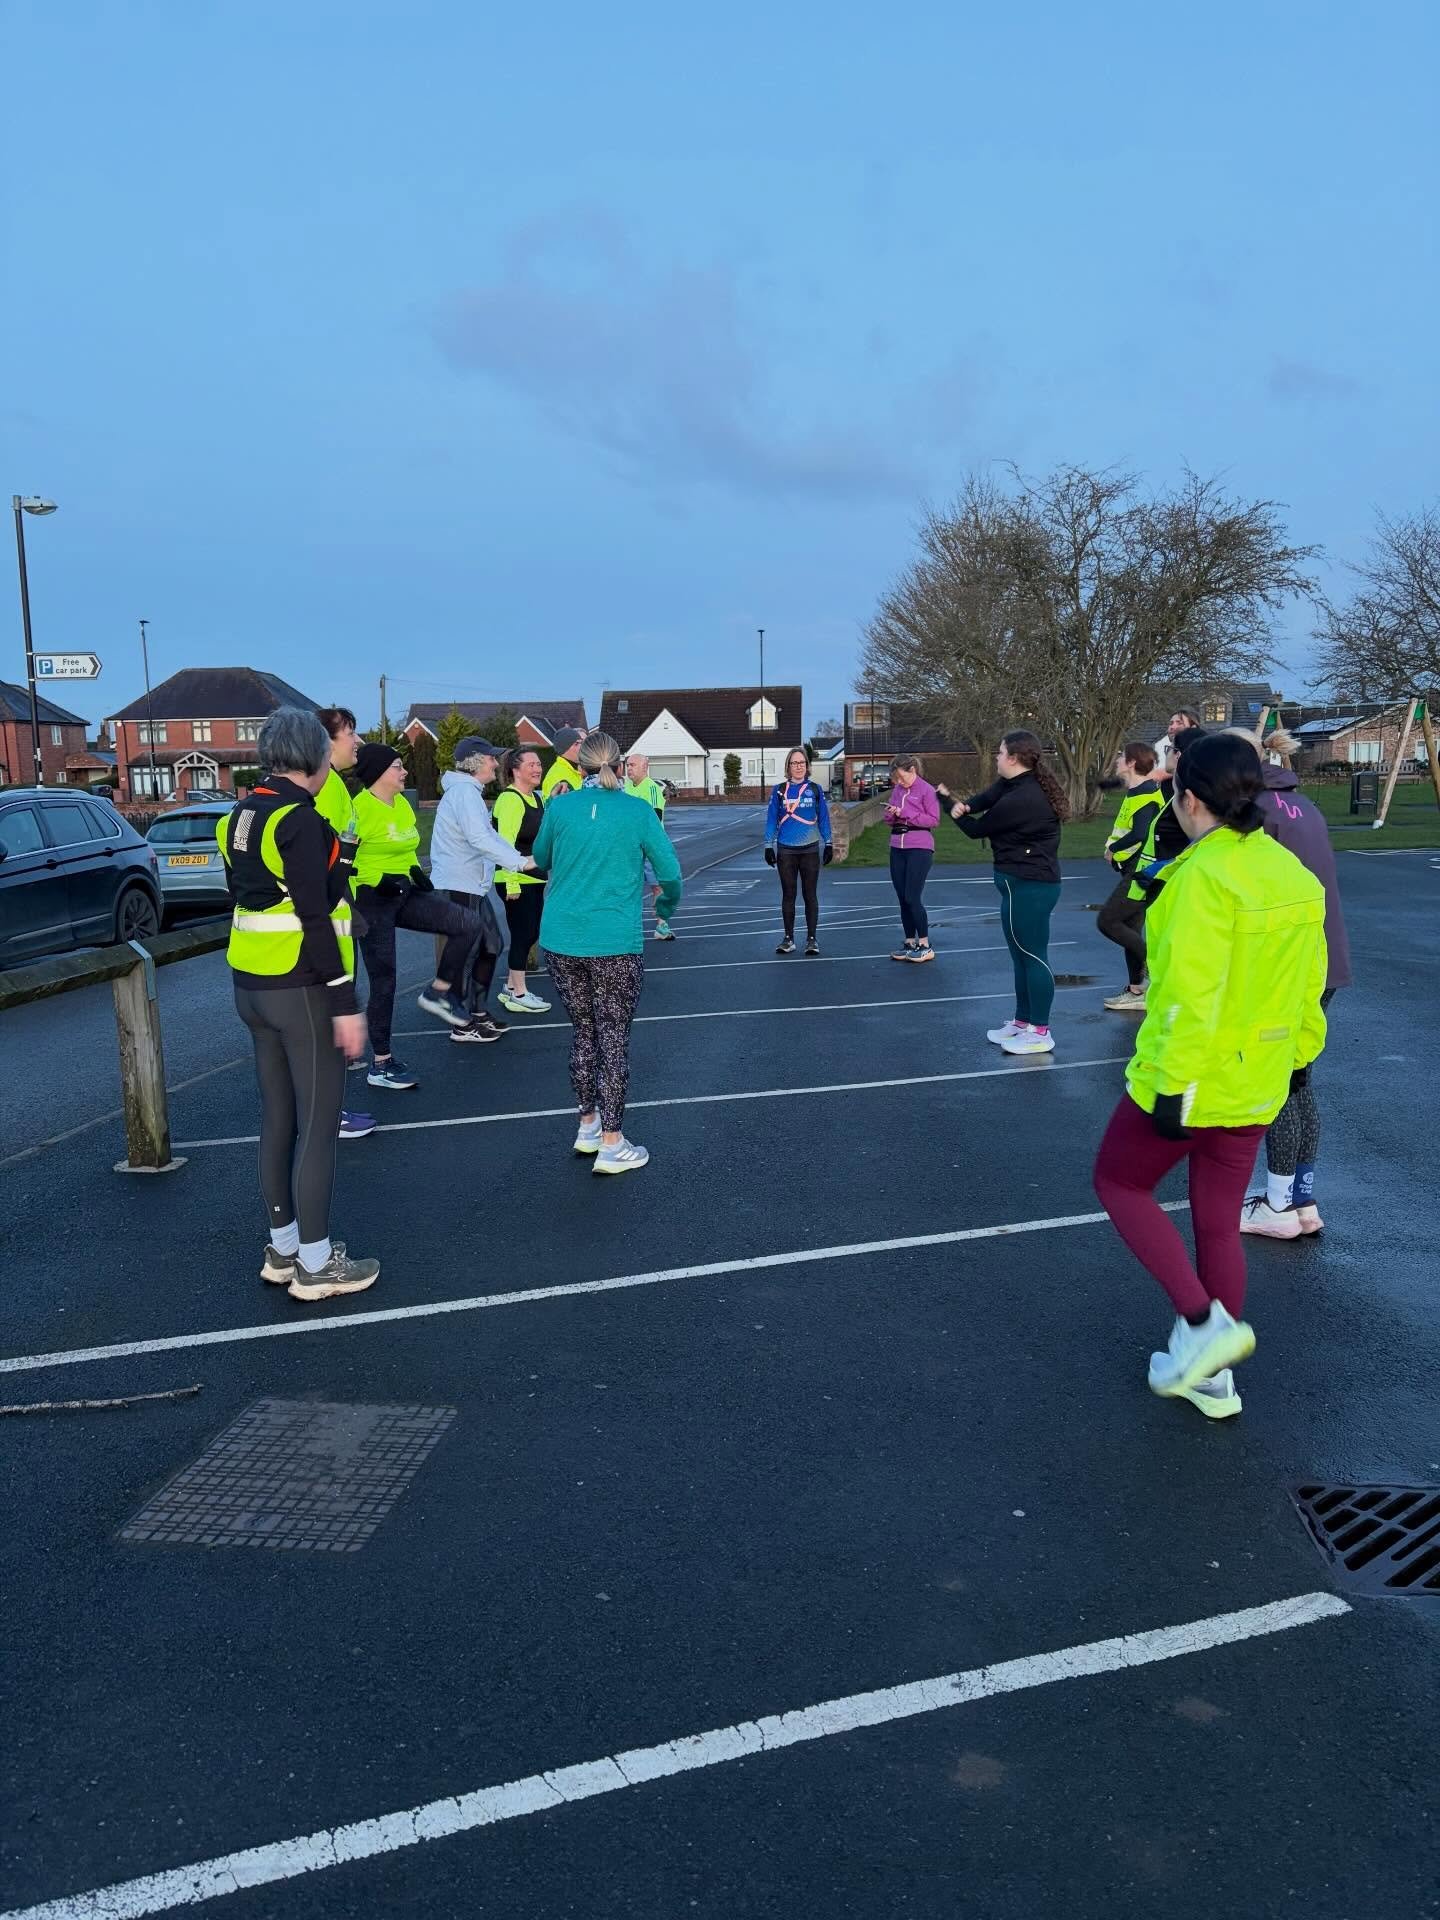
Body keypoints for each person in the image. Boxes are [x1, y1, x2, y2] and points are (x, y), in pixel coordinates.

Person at [1092, 734, 1327, 1420]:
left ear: (1187, 797)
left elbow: (1185, 997)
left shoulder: (1199, 879)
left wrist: (1170, 1083)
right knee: (1218, 1223)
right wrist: (1300, 1056)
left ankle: (1203, 1328)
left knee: (1120, 1181)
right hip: (1261, 1078)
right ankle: (1214, 1377)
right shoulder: (1291, 872)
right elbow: (1307, 987)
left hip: (1198, 1078)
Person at [217, 707, 379, 1301]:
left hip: (250, 983)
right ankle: (316, 1265)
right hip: (302, 987)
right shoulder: (301, 819)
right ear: (315, 756)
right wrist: (344, 1001)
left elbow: (265, 890)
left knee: (278, 1118)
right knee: (318, 1125)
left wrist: (340, 863)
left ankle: (283, 1248)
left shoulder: (239, 812)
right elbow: (314, 914)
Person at [531, 731, 682, 1173]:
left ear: (580, 766)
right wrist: (665, 909)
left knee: (583, 1031)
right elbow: (670, 873)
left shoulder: (559, 806)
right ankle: (613, 1143)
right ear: (618, 764)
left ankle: (588, 1124)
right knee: (613, 1037)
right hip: (613, 939)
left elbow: (541, 857)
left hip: (561, 938)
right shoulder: (636, 810)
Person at [1225, 727, 1353, 1240]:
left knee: (1278, 1081)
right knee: (1299, 1079)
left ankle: (1278, 1203)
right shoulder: (1299, 804)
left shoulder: (1257, 814)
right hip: (1324, 959)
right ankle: (1299, 1199)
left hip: (1292, 963)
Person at [352, 741, 481, 1091]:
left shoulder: (403, 807)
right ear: (379, 772)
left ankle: (439, 991)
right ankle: (380, 1063)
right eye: (397, 766)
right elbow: (345, 864)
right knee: (385, 980)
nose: (404, 771)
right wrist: (377, 881)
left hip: (404, 892)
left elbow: (407, 849)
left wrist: (415, 874)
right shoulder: (357, 810)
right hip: (371, 899)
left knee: (467, 923)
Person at [939, 732, 1068, 1054]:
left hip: (1032, 886)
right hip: (1018, 884)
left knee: (1033, 956)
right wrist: (966, 804)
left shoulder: (1023, 799)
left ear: (1013, 758)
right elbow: (987, 796)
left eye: (999, 753)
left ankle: (1040, 1031)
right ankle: (1022, 1021)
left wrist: (947, 802)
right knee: (1020, 956)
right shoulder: (1014, 785)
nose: (995, 757)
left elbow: (976, 829)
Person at [429, 734, 534, 1042]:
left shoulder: (469, 793)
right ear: (476, 762)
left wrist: (523, 859)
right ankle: (460, 1022)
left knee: (491, 945)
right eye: (491, 758)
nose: (495, 763)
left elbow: (490, 836)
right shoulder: (464, 794)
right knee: (470, 949)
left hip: (471, 885)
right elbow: (480, 839)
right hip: (458, 885)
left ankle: (477, 1013)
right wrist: (519, 863)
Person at [314, 706, 376, 1140]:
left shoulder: (335, 784)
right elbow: (324, 856)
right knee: (329, 1011)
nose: (356, 741)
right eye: (349, 733)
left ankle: (330, 1109)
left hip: (336, 903)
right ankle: (327, 1114)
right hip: (327, 911)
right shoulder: (326, 788)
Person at [1097, 743, 1163, 1012]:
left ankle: (1156, 966)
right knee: (1130, 928)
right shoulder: (1135, 792)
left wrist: (1114, 849)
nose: (1117, 761)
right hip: (1130, 868)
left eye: (1121, 758)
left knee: (1108, 921)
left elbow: (1141, 834)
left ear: (1132, 763)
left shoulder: (1147, 794)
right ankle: (1137, 990)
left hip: (1140, 870)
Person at [492, 745, 551, 1013]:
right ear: (515, 770)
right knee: (522, 933)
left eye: (539, 764)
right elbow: (505, 844)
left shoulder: (537, 798)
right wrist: (511, 882)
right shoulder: (510, 800)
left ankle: (512, 986)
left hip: (535, 877)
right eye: (531, 765)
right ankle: (518, 992)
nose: (538, 769)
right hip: (515, 879)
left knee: (531, 933)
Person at [763, 747, 833, 955]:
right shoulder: (779, 790)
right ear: (788, 766)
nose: (798, 766)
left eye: (802, 762)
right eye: (794, 763)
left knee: (810, 895)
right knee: (788, 895)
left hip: (810, 849)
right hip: (786, 850)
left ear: (807, 765)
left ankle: (812, 940)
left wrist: (829, 842)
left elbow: (823, 818)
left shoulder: (815, 789)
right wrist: (768, 845)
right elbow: (771, 819)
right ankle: (788, 939)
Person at [884, 753, 940, 961]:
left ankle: (925, 944)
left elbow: (933, 820)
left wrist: (905, 812)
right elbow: (890, 819)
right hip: (897, 846)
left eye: (901, 777)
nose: (899, 782)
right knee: (901, 898)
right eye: (896, 779)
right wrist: (890, 813)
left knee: (912, 896)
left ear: (912, 771)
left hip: (919, 847)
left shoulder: (926, 790)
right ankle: (909, 941)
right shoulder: (898, 790)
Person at [625, 751, 674, 941]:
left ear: (645, 767)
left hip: (649, 846)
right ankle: (629, 927)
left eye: (633, 765)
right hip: (629, 848)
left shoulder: (652, 788)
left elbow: (655, 818)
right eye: (628, 765)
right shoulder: (624, 788)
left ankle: (662, 926)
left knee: (657, 887)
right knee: (628, 887)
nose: (629, 768)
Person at [540, 725, 586, 801]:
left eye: (581, 743)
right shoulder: (556, 776)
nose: (581, 747)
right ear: (564, 748)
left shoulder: (574, 771)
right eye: (576, 744)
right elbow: (553, 809)